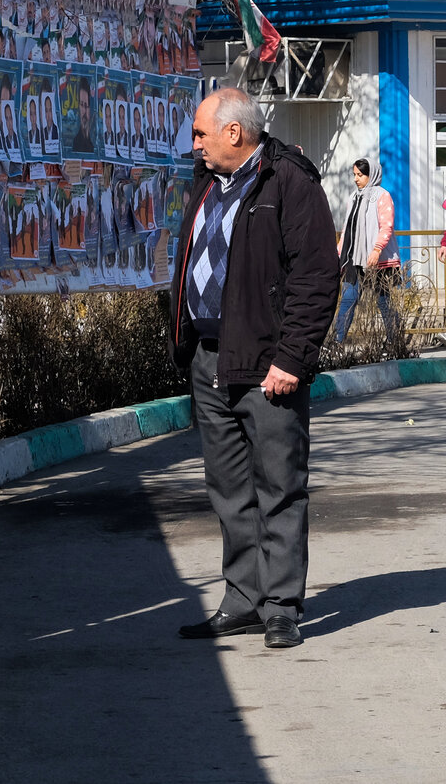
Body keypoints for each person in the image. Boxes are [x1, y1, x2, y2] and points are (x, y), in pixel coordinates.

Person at [169, 87, 338, 649]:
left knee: (280, 487)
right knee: (228, 489)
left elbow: (315, 277)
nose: (194, 145)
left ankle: (282, 607)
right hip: (210, 359)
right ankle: (243, 599)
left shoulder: (289, 181)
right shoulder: (207, 184)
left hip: (268, 366)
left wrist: (293, 358)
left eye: (200, 134)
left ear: (234, 133)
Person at [333, 158, 400, 346]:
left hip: (378, 260)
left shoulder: (382, 196)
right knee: (348, 300)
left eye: (360, 175)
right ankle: (338, 342)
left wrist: (376, 250)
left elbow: (386, 226)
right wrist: (339, 254)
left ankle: (394, 341)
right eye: (354, 175)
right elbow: (348, 229)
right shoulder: (354, 197)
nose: (356, 179)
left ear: (372, 175)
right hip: (354, 259)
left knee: (383, 302)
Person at [71, 78, 94, 154]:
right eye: (81, 105)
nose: (84, 111)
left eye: (87, 106)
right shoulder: (76, 141)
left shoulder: (97, 139)